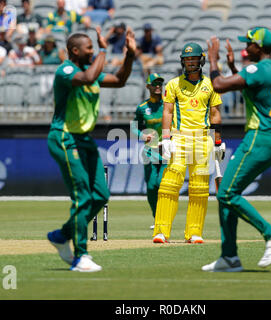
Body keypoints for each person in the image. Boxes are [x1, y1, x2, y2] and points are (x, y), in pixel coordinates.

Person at [202, 27, 271, 272]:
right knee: (227, 197)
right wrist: (233, 68)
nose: (245, 48)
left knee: (226, 194)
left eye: (249, 44)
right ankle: (229, 257)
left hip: (258, 139)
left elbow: (219, 85)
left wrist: (213, 58)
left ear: (260, 47)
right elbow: (251, 89)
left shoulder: (258, 69)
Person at [47, 27, 137, 272]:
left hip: (84, 140)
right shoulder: (67, 70)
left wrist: (129, 56)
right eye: (90, 48)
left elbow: (119, 81)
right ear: (75, 51)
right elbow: (87, 79)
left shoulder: (90, 71)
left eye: (94, 48)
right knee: (82, 197)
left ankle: (61, 235)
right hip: (65, 138)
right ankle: (81, 256)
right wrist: (105, 50)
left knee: (100, 195)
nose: (93, 51)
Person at [152, 42, 224, 244]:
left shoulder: (211, 85)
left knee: (200, 188)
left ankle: (194, 232)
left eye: (193, 59)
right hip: (179, 137)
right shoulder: (174, 84)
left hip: (203, 138)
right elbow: (167, 112)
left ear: (200, 60)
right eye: (187, 59)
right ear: (182, 61)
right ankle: (161, 231)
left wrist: (217, 142)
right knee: (169, 184)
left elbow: (215, 114)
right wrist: (165, 138)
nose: (190, 62)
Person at [131, 73, 167, 229]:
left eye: (160, 83)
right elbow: (134, 127)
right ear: (148, 87)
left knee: (162, 183)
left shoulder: (168, 105)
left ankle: (164, 217)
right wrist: (142, 135)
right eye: (155, 84)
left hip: (166, 150)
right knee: (152, 186)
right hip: (150, 151)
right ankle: (157, 218)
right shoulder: (142, 108)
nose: (158, 86)